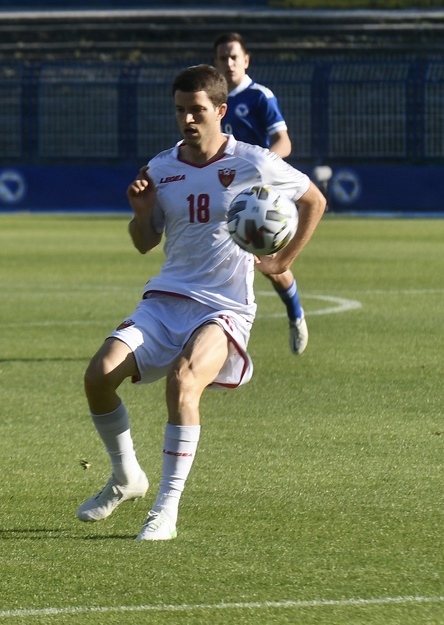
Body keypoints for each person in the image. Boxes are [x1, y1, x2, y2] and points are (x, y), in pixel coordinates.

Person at [76, 65, 326, 540]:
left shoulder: (254, 161)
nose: (187, 119)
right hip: (167, 299)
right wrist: (141, 215)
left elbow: (314, 200)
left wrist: (281, 260)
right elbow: (144, 243)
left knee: (184, 380)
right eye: (179, 110)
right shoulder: (160, 168)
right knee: (98, 376)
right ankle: (127, 476)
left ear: (220, 111)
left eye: (196, 110)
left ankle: (165, 508)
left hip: (225, 306)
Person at [213, 32, 309, 355]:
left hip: (257, 194)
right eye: (222, 58)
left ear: (246, 61)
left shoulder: (259, 97)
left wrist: (260, 164)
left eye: (233, 57)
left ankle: (295, 314)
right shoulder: (211, 101)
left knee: (268, 263)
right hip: (221, 191)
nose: (228, 63)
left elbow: (284, 142)